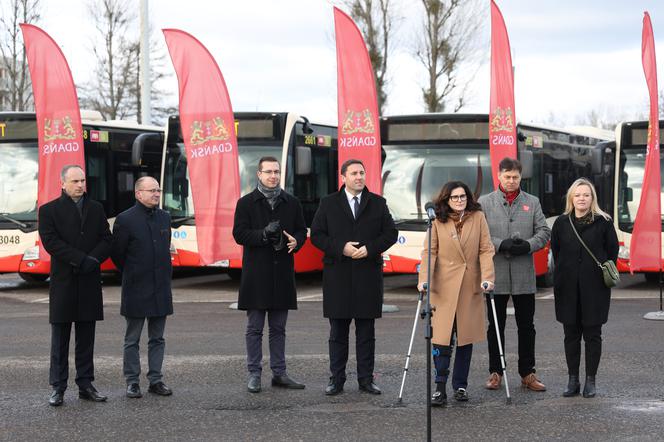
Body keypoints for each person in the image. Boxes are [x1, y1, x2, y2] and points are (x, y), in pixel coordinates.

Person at [310, 159, 398, 396]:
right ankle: (336, 380)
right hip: (337, 276)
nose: (359, 177)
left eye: (362, 172)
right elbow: (316, 235)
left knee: (366, 334)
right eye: (354, 173)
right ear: (343, 177)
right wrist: (341, 247)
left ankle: (366, 380)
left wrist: (370, 248)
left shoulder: (378, 203)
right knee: (337, 333)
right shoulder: (328, 203)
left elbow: (391, 233)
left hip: (367, 277)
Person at [38, 164, 112, 406]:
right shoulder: (49, 210)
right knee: (60, 338)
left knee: (86, 336)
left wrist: (93, 261)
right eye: (75, 181)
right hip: (64, 282)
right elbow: (51, 242)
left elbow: (106, 239)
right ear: (63, 184)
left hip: (89, 281)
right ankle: (58, 387)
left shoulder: (96, 208)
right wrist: (81, 259)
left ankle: (85, 384)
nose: (80, 185)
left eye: (82, 181)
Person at [232, 156, 307, 393]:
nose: (273, 176)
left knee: (279, 328)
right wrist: (263, 235)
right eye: (268, 172)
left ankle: (279, 373)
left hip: (282, 273)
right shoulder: (245, 203)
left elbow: (301, 231)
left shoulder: (292, 202)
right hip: (256, 274)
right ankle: (254, 373)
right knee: (254, 328)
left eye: (276, 171)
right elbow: (239, 234)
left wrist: (298, 241)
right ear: (259, 174)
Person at [417, 181, 495, 406]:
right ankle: (439, 386)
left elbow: (486, 248)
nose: (459, 200)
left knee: (465, 339)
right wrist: (424, 281)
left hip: (469, 286)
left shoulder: (477, 217)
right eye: (455, 197)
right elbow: (429, 252)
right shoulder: (436, 220)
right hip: (443, 288)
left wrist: (487, 278)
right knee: (440, 339)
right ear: (446, 200)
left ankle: (460, 385)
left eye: (462, 196)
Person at [478, 157, 551, 392]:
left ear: (521, 177)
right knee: (495, 326)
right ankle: (495, 371)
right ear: (499, 176)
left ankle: (527, 372)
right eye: (507, 177)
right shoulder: (484, 202)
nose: (511, 181)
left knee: (526, 326)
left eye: (515, 177)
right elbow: (479, 234)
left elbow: (544, 231)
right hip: (495, 274)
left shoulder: (533, 201)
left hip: (523, 275)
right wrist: (501, 244)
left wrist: (528, 245)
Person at [550, 178, 618, 398]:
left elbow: (612, 253)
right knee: (570, 334)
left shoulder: (604, 222)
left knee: (593, 334)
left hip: (595, 288)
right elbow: (557, 252)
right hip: (567, 288)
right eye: (578, 195)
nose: (582, 198)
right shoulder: (561, 223)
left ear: (592, 198)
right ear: (571, 197)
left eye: (586, 195)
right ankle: (573, 380)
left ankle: (591, 380)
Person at [111, 176, 174, 398]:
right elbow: (118, 254)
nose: (156, 194)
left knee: (158, 338)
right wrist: (134, 271)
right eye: (151, 191)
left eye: (158, 190)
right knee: (132, 339)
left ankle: (155, 380)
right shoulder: (125, 219)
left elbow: (165, 248)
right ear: (138, 194)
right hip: (136, 287)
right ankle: (132, 381)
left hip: (160, 287)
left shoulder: (165, 217)